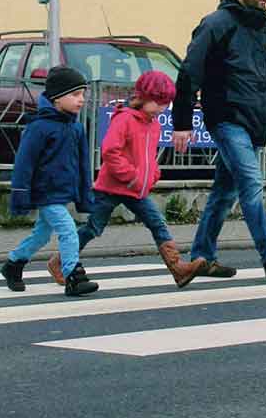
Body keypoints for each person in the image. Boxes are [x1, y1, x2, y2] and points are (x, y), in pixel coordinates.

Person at [172, 0, 266, 281]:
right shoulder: (216, 24)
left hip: (257, 120)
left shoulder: (265, 26)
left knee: (224, 191)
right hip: (227, 117)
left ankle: (201, 256)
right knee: (251, 183)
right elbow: (190, 73)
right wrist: (182, 122)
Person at [45, 70, 207, 289]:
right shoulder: (124, 119)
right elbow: (110, 151)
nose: (162, 108)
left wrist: (153, 175)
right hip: (112, 187)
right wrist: (131, 176)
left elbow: (150, 156)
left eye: (165, 104)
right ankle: (60, 261)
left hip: (137, 189)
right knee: (93, 227)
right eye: (158, 103)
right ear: (143, 97)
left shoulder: (153, 123)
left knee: (157, 223)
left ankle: (177, 268)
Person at [1, 65, 99, 297]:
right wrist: (20, 196)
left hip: (62, 193)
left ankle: (13, 264)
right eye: (75, 95)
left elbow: (83, 165)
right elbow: (24, 165)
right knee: (68, 230)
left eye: (83, 94)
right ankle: (74, 276)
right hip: (45, 193)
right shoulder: (39, 127)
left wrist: (85, 196)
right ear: (57, 98)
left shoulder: (75, 128)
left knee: (41, 235)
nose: (81, 100)